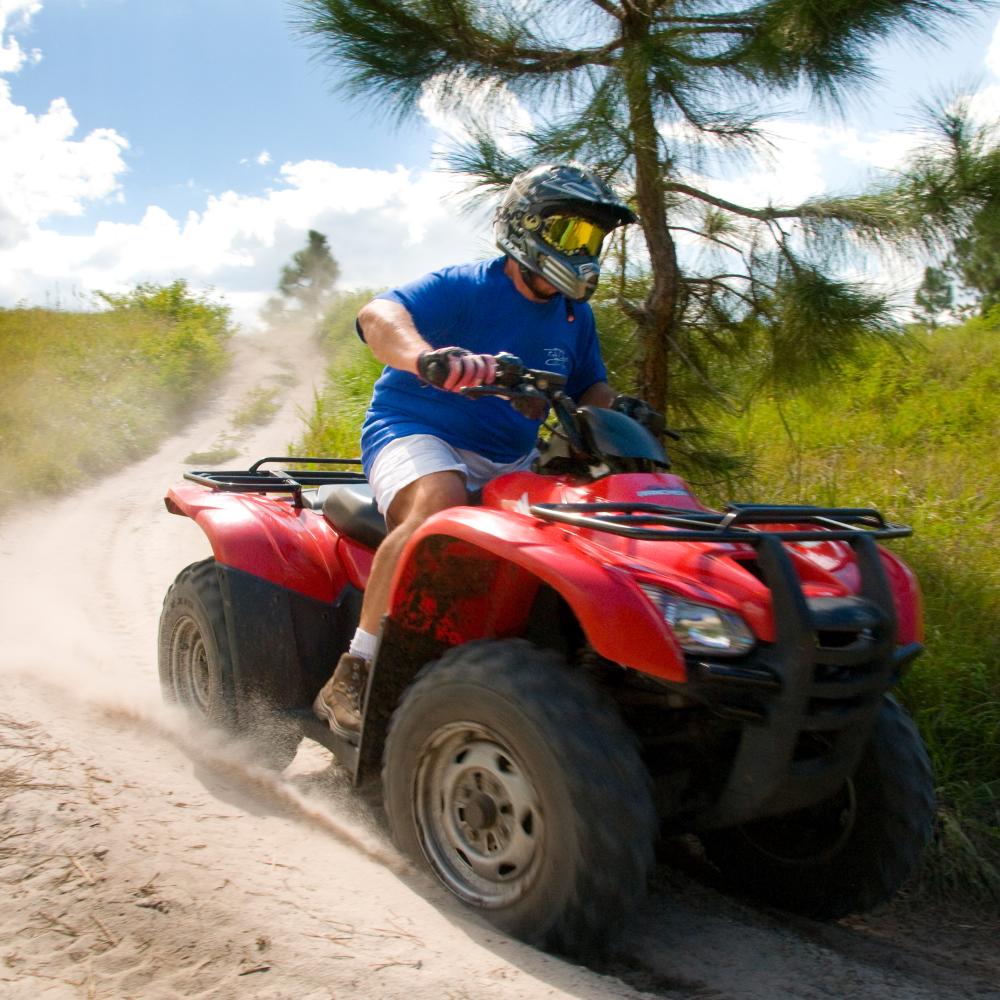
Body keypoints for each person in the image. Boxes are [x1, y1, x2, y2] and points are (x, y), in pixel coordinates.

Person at [313, 163, 637, 739]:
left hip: (509, 458)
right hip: (415, 430)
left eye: (593, 238)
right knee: (439, 502)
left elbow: (592, 384)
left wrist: (608, 411)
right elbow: (377, 316)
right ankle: (355, 671)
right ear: (526, 227)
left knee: (589, 522)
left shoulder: (573, 315)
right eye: (570, 233)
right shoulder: (466, 285)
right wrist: (426, 360)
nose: (583, 251)